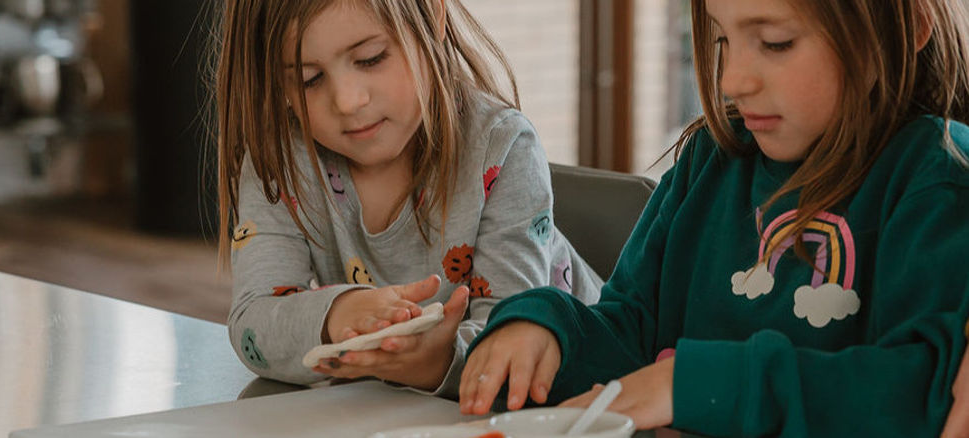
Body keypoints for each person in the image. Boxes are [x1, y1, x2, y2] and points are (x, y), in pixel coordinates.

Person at [459, 0, 969, 435]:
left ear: (906, 27)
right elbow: (627, 331)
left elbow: (918, 392)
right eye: (722, 39)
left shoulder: (937, 176)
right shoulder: (710, 159)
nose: (732, 80)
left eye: (776, 43)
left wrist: (689, 384)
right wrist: (548, 330)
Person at [213, 0, 602, 399]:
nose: (347, 101)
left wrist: (435, 363)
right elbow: (253, 325)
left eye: (370, 58)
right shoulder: (281, 161)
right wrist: (337, 315)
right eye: (308, 79)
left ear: (432, 16)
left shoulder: (503, 147)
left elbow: (510, 343)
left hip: (588, 395)